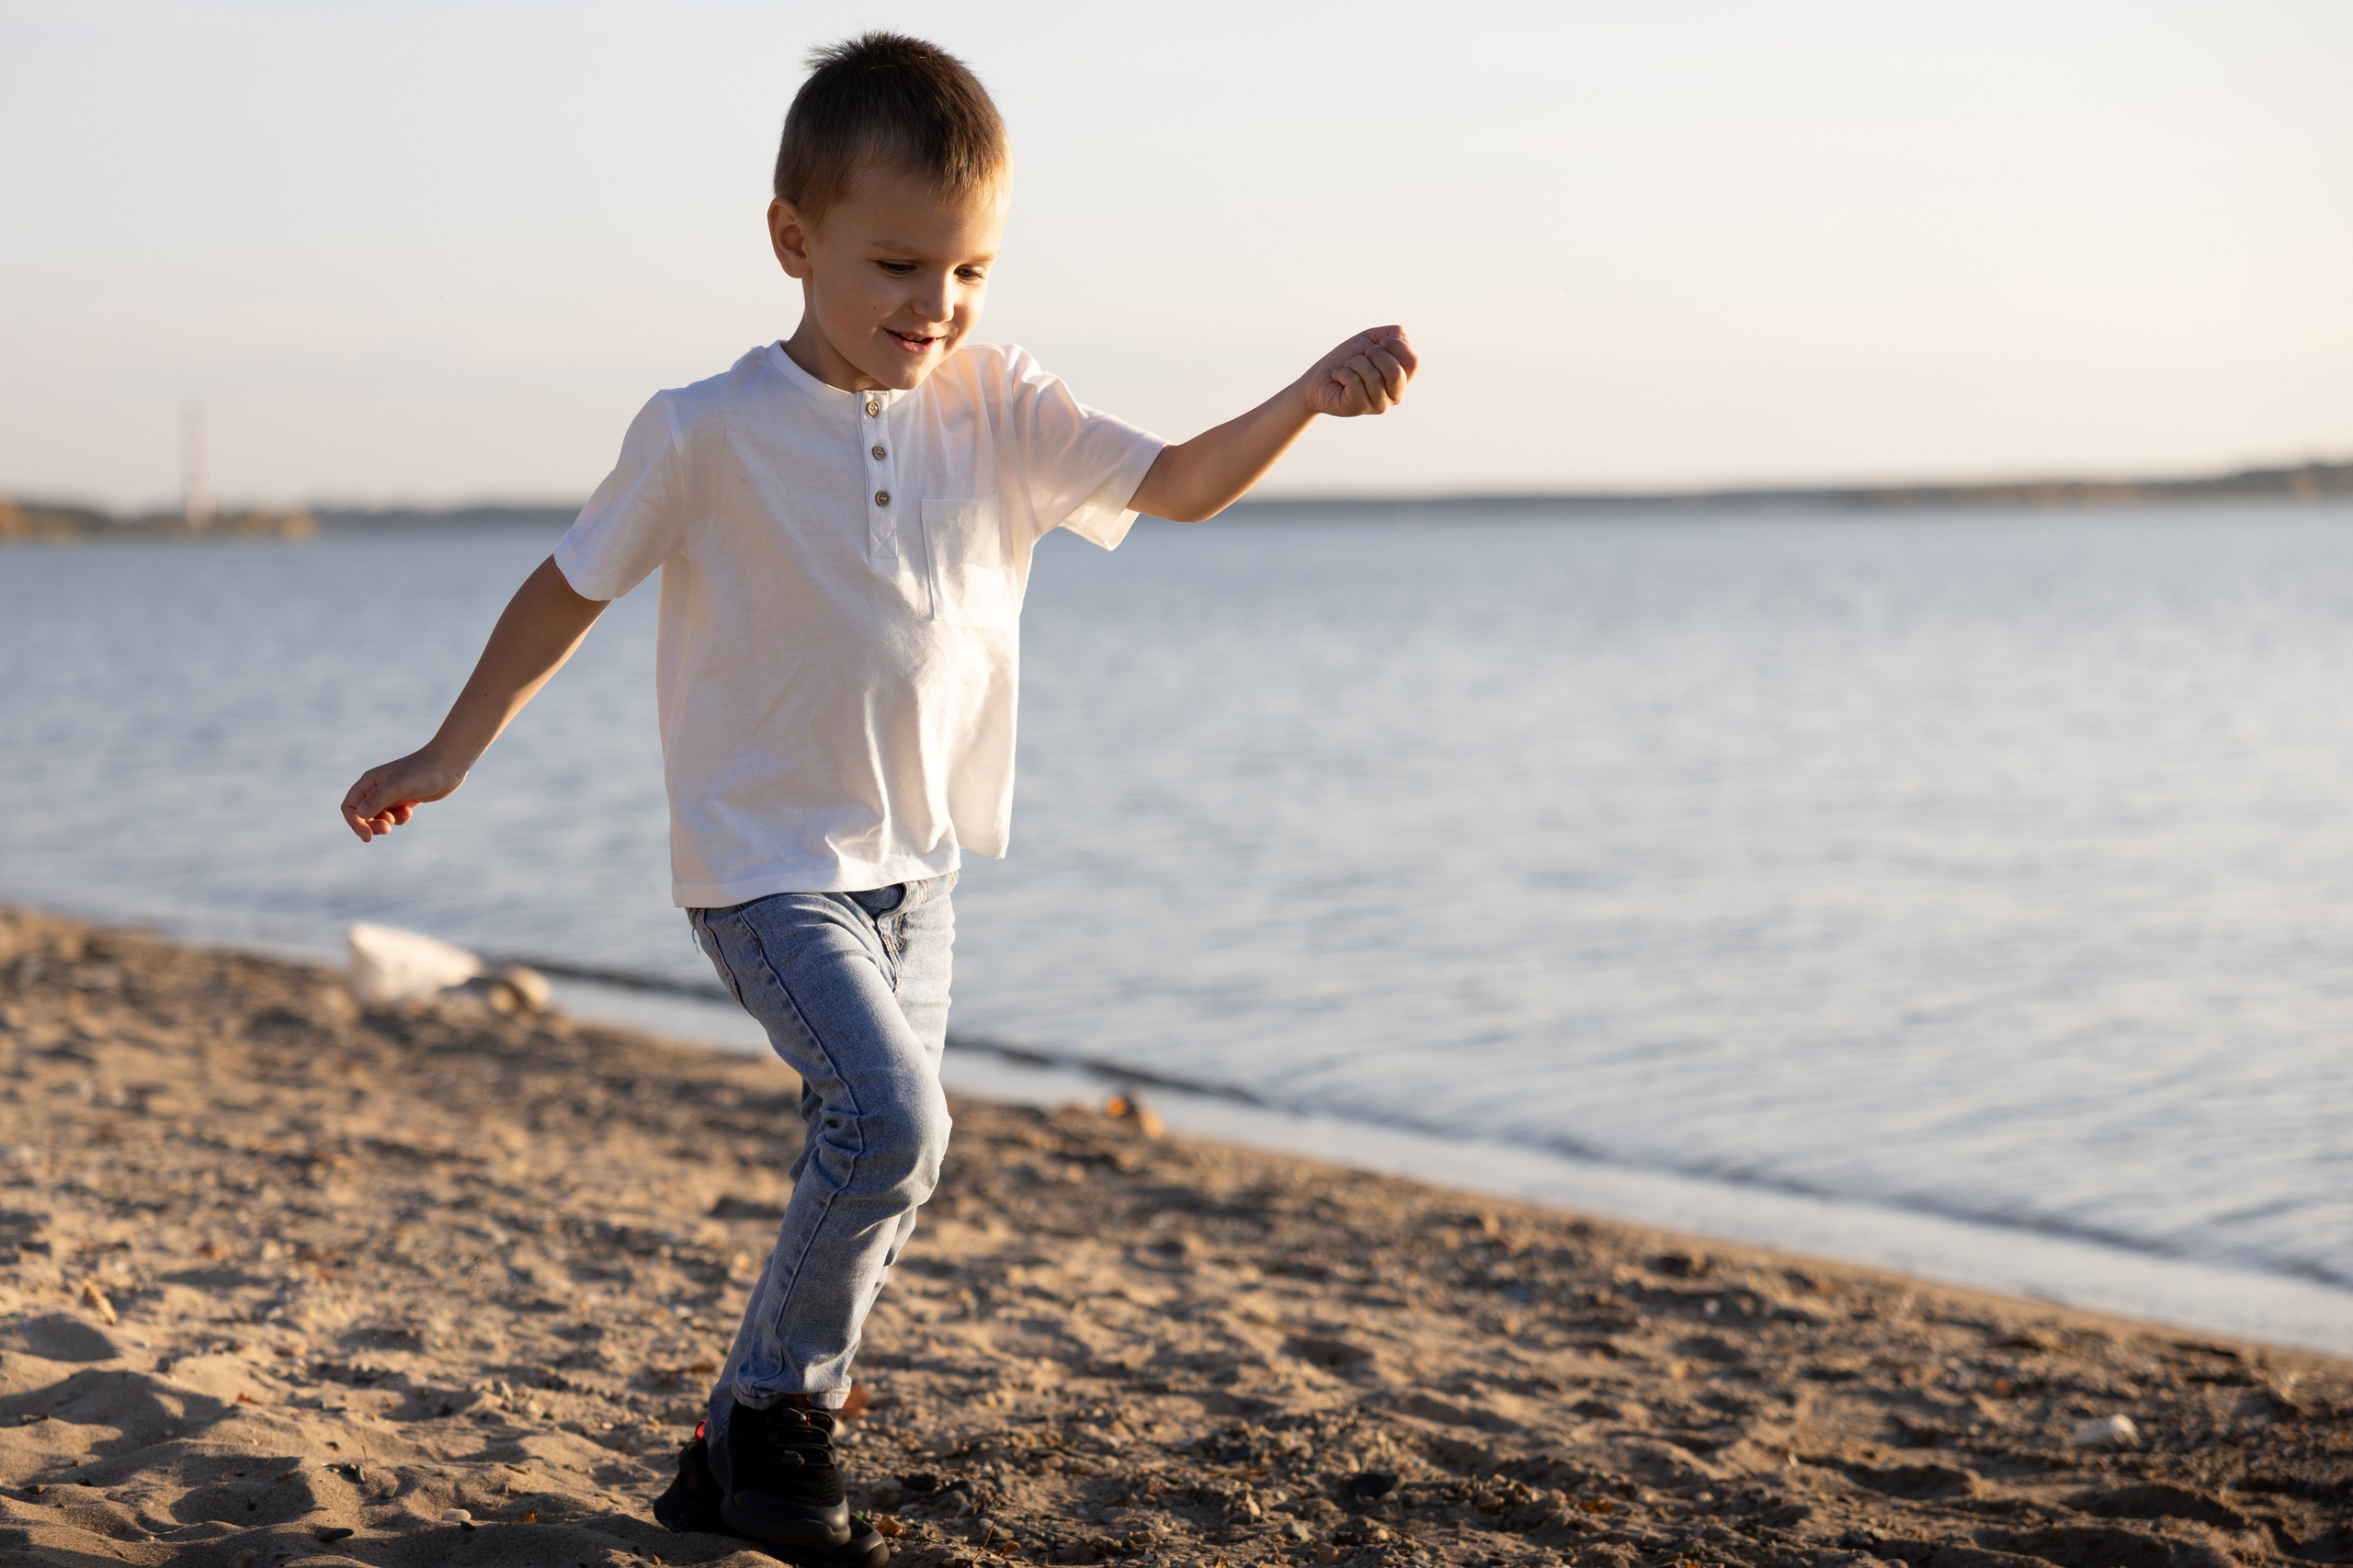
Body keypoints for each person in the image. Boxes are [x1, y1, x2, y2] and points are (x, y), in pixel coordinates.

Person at [337, 31, 1415, 1565]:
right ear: (794, 241)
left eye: (972, 270)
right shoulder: (704, 428)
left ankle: (734, 1445)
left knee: (890, 1162)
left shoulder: (1000, 403)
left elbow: (1174, 481)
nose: (940, 305)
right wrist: (451, 750)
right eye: (901, 264)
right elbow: (564, 589)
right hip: (761, 864)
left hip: (921, 872)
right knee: (890, 1119)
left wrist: (1306, 394)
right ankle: (784, 1416)